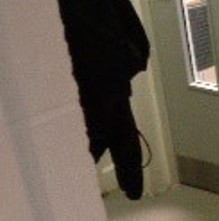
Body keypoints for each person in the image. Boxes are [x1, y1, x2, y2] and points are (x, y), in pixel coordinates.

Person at [57, 0, 150, 200]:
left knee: (108, 133)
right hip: (98, 81)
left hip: (95, 81)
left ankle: (128, 184)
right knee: (109, 135)